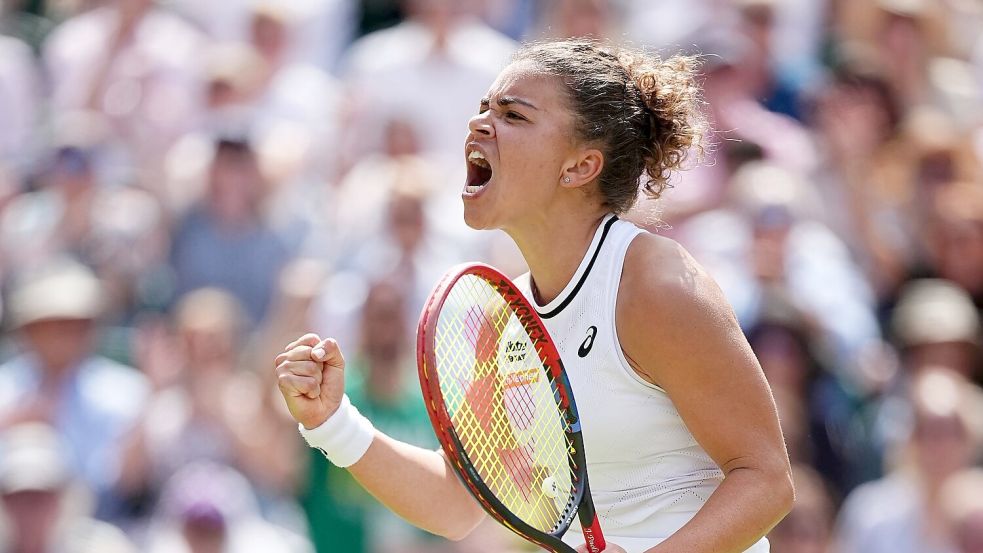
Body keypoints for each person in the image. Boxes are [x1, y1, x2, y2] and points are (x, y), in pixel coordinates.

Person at [274, 38, 793, 552]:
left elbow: (766, 480)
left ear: (579, 166)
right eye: (482, 109)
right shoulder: (504, 320)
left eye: (513, 116)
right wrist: (331, 422)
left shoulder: (653, 284)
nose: (479, 124)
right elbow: (455, 503)